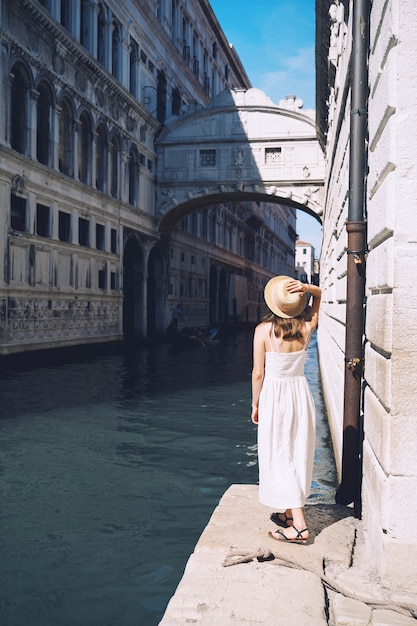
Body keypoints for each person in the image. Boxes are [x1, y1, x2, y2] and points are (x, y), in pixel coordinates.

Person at [251, 276, 321, 543]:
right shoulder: (307, 326)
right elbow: (320, 296)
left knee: (280, 455)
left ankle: (299, 526)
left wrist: (255, 403)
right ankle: (290, 514)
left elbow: (258, 373)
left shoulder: (263, 330)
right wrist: (307, 289)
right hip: (300, 394)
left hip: (275, 395)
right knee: (295, 451)